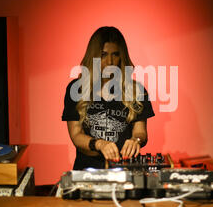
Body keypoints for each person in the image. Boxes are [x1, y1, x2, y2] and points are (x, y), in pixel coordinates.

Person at [62, 26, 155, 170]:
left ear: (121, 57)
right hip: (87, 171)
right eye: (104, 54)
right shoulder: (77, 89)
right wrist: (99, 144)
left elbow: (140, 132)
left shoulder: (137, 90)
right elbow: (76, 135)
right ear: (94, 56)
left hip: (124, 171)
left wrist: (135, 140)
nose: (110, 62)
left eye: (115, 54)